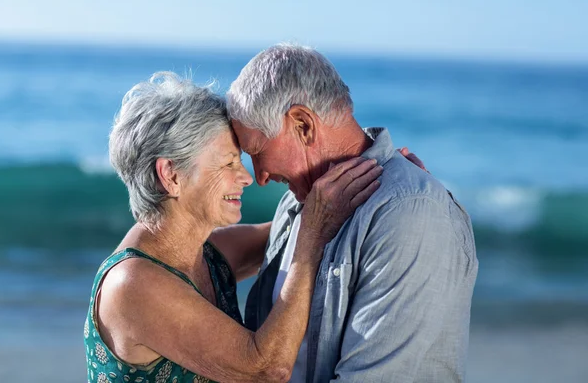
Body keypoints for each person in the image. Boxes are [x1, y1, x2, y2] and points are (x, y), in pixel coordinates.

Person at [84, 72, 383, 383]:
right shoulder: (133, 285)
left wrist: (384, 180)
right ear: (171, 175)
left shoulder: (210, 254)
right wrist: (312, 237)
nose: (246, 177)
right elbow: (267, 369)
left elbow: (309, 224)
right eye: (228, 163)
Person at [227, 44, 479, 382]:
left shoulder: (410, 214)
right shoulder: (298, 204)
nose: (259, 177)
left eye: (257, 152)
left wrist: (410, 198)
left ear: (303, 125)